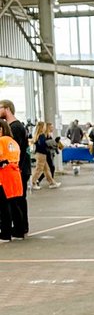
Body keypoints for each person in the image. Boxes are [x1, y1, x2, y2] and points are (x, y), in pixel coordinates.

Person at [0, 99, 30, 235]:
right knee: (18, 199)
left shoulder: (14, 129)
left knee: (14, 200)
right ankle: (20, 227)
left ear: (6, 109)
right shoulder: (17, 127)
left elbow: (13, 153)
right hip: (18, 169)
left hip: (15, 169)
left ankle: (18, 227)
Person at [0, 118, 25, 242]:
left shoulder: (1, 141)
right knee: (15, 204)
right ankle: (19, 231)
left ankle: (5, 233)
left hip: (4, 175)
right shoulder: (13, 142)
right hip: (15, 174)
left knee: (4, 206)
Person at [32, 122, 61, 189]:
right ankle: (33, 183)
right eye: (44, 126)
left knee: (46, 169)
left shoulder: (38, 135)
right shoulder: (41, 135)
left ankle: (52, 183)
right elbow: (42, 144)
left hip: (41, 154)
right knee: (39, 169)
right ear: (42, 127)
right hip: (41, 154)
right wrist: (49, 143)